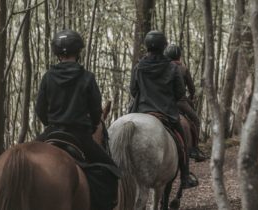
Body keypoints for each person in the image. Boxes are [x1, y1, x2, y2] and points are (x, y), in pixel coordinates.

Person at [35, 29, 118, 210]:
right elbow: (96, 112)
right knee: (111, 170)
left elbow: (39, 109)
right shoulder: (87, 77)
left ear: (57, 53)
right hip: (79, 135)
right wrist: (92, 125)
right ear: (78, 52)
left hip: (52, 131)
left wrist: (51, 125)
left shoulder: (48, 77)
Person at [129, 30, 198, 189]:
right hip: (167, 112)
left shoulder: (139, 66)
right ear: (163, 46)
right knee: (182, 140)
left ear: (147, 47)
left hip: (141, 110)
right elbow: (180, 92)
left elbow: (133, 90)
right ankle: (186, 176)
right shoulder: (172, 68)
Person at [164, 44, 208, 162]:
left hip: (163, 102)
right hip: (180, 102)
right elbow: (192, 88)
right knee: (196, 120)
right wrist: (191, 97)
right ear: (179, 55)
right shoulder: (183, 68)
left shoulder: (163, 67)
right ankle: (194, 149)